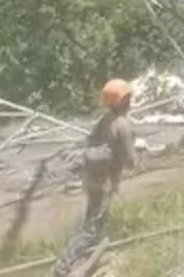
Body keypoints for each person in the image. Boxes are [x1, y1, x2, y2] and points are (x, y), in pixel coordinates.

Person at [51, 79, 137, 277]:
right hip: (105, 183)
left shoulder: (104, 119)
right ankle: (63, 267)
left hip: (91, 179)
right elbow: (131, 160)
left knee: (92, 221)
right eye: (127, 97)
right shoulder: (122, 125)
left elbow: (89, 142)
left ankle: (80, 255)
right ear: (120, 101)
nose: (130, 99)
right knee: (90, 229)